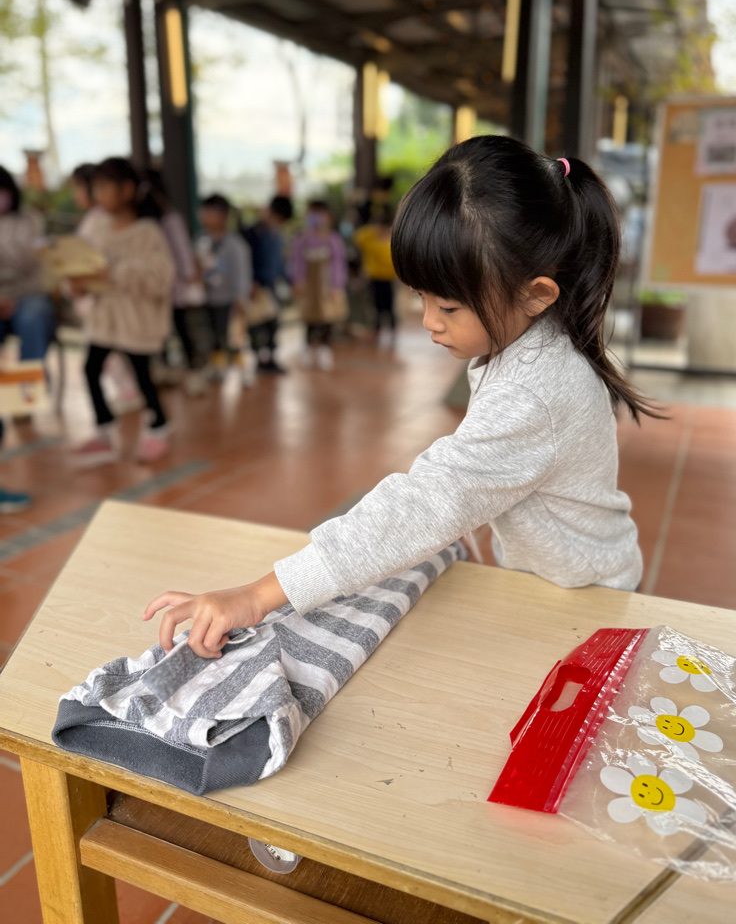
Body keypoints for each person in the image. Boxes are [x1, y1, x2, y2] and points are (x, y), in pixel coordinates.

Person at [145, 136, 657, 659]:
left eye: (449, 307)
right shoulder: (534, 342)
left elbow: (426, 502)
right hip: (556, 581)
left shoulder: (533, 390)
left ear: (536, 294)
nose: (429, 321)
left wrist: (257, 596)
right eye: (419, 296)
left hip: (587, 600)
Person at [70, 158, 174, 466]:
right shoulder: (97, 228)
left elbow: (160, 278)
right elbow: (87, 265)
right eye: (95, 188)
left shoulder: (148, 232)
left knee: (142, 377)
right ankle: (103, 430)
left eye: (104, 187)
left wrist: (116, 272)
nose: (98, 195)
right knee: (90, 369)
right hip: (104, 319)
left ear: (127, 189)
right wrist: (79, 284)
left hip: (136, 321)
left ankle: (158, 427)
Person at [0, 165, 54, 511]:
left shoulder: (29, 220)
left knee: (34, 317)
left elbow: (32, 261)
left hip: (28, 294)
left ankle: (25, 393)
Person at [145, 170, 208, 397]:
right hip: (156, 288)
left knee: (180, 330)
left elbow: (181, 251)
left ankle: (191, 372)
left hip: (171, 288)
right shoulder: (155, 218)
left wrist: (189, 275)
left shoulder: (167, 218)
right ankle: (166, 371)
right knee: (165, 332)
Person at [196, 194, 251, 377]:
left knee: (233, 336)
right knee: (213, 336)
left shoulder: (235, 244)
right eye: (204, 213)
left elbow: (242, 272)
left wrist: (240, 297)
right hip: (207, 298)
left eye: (210, 213)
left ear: (223, 216)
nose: (205, 217)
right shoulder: (200, 240)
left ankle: (240, 368)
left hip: (229, 300)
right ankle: (217, 367)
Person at [290, 200, 348, 371]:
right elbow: (296, 261)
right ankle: (308, 347)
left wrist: (337, 285)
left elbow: (338, 263)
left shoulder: (333, 239)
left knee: (327, 317)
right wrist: (297, 279)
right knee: (309, 316)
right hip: (309, 286)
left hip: (327, 285)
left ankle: (325, 348)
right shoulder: (302, 238)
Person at [241, 195, 293, 373]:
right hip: (255, 287)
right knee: (256, 323)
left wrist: (288, 280)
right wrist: (251, 282)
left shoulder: (276, 234)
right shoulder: (253, 233)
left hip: (270, 286)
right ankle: (259, 358)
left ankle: (270, 357)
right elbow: (247, 260)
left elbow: (278, 262)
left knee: (273, 323)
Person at [354, 206, 397, 339]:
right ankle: (377, 328)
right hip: (373, 277)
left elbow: (390, 261)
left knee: (389, 305)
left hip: (388, 279)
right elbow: (358, 237)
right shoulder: (370, 238)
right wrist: (373, 230)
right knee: (375, 305)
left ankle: (392, 328)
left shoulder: (391, 242)